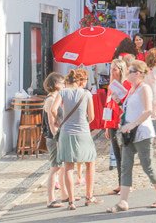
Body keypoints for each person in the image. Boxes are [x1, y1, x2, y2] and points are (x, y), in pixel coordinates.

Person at [107, 60, 156, 212]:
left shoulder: (144, 88)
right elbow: (129, 109)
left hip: (142, 133)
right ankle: (123, 202)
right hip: (129, 134)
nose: (127, 73)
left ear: (139, 73)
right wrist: (119, 102)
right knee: (125, 165)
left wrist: (132, 125)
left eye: (130, 70)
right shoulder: (132, 89)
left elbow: (147, 111)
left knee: (147, 165)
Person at [52, 69, 98, 209]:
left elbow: (53, 109)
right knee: (90, 163)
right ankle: (89, 197)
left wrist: (59, 122)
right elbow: (91, 117)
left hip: (66, 132)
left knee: (68, 166)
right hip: (83, 131)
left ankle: (71, 201)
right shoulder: (86, 94)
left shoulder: (63, 92)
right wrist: (83, 123)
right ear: (79, 81)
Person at [103, 59, 130, 195]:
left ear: (121, 70)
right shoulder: (111, 86)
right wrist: (106, 126)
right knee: (118, 155)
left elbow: (128, 105)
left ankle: (126, 184)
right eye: (111, 68)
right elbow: (107, 106)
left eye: (115, 69)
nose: (112, 71)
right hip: (112, 123)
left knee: (125, 155)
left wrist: (119, 101)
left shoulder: (127, 84)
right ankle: (121, 183)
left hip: (123, 123)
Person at [42, 73, 68, 208]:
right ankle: (51, 199)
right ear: (56, 84)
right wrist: (57, 137)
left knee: (61, 166)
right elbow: (52, 123)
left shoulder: (55, 98)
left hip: (57, 136)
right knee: (55, 167)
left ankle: (65, 195)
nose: (64, 85)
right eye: (63, 83)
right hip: (54, 138)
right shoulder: (51, 100)